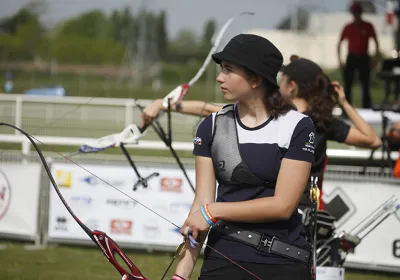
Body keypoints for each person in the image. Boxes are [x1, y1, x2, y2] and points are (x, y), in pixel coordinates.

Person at [141, 58, 382, 210]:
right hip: (312, 209)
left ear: (292, 86)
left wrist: (165, 104)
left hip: (280, 209)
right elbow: (372, 139)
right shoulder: (321, 121)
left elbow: (208, 109)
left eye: (282, 79)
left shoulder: (277, 115)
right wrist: (344, 102)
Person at [168, 34, 315, 280]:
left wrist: (213, 211)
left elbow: (283, 206)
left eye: (228, 70)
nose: (219, 77)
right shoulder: (212, 126)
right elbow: (200, 208)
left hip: (284, 262)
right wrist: (180, 276)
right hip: (222, 257)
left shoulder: (297, 126)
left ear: (256, 78)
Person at [337, 1, 380, 109]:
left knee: (365, 83)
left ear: (361, 13)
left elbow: (376, 42)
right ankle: (347, 108)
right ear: (352, 14)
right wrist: (340, 61)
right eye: (355, 13)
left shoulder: (368, 26)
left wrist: (375, 59)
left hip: (364, 57)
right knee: (348, 84)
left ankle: (366, 107)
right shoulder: (348, 27)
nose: (356, 15)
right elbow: (339, 44)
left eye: (358, 13)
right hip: (352, 56)